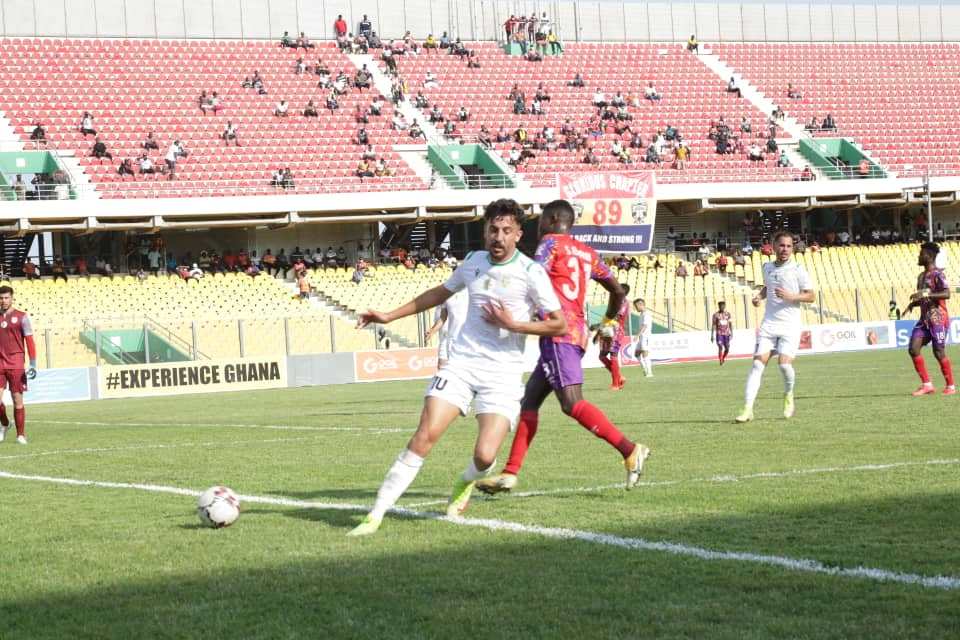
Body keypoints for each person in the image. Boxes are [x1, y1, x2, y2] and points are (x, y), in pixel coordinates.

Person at [346, 199, 566, 536]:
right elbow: (439, 292)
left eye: (507, 230)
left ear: (519, 234)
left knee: (485, 455)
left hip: (502, 374)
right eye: (493, 229)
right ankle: (375, 514)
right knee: (425, 435)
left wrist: (515, 325)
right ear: (485, 231)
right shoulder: (474, 261)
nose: (499, 236)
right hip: (460, 365)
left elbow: (559, 325)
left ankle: (464, 483)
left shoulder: (531, 273)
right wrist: (388, 315)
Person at [475, 200, 650, 497]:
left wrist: (513, 314)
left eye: (542, 219)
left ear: (554, 218)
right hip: (576, 332)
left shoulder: (550, 243)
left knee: (571, 403)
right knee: (529, 402)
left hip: (559, 333)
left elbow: (533, 273)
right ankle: (510, 473)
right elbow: (618, 290)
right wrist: (608, 320)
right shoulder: (587, 252)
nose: (539, 225)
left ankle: (630, 450)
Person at [736, 232, 815, 423]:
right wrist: (759, 297)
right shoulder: (767, 267)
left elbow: (811, 296)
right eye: (781, 245)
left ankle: (789, 395)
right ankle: (747, 409)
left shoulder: (798, 270)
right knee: (756, 364)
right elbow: (767, 287)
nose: (785, 249)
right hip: (769, 324)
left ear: (793, 248)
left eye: (788, 246)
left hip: (790, 325)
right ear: (773, 246)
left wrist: (791, 296)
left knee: (784, 365)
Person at [903, 242, 955, 396]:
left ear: (929, 256)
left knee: (938, 352)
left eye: (921, 253)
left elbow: (946, 294)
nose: (919, 256)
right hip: (924, 320)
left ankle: (951, 386)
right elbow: (925, 298)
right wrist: (914, 303)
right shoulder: (920, 277)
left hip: (938, 319)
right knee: (913, 349)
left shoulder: (938, 274)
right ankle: (927, 385)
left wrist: (925, 295)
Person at [0, 286, 36, 445]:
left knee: (17, 400)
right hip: (0, 363)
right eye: (1, 298)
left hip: (16, 363)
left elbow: (29, 341)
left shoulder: (22, 317)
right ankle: (6, 424)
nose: (3, 301)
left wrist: (33, 363)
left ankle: (20, 435)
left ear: (12, 298)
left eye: (6, 298)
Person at [423, 288, 469, 369]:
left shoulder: (471, 291)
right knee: (450, 369)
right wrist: (432, 331)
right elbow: (443, 317)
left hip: (467, 339)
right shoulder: (447, 295)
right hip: (452, 340)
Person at [597, 283, 630, 390]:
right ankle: (619, 377)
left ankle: (616, 384)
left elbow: (617, 315)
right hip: (607, 329)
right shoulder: (615, 301)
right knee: (602, 356)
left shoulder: (624, 302)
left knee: (613, 355)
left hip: (616, 331)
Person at [633, 298, 653, 377]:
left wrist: (637, 335)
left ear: (640, 305)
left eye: (636, 306)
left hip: (646, 336)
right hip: (642, 337)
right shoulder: (642, 314)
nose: (635, 308)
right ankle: (645, 369)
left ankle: (649, 372)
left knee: (645, 354)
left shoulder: (646, 314)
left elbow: (645, 326)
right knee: (637, 354)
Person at [711, 300, 733, 365]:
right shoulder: (715, 315)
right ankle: (720, 360)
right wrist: (712, 335)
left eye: (723, 306)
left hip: (726, 334)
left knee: (727, 348)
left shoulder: (728, 314)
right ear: (719, 306)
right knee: (720, 346)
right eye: (721, 306)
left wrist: (732, 333)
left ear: (725, 306)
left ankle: (723, 357)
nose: (722, 307)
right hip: (719, 333)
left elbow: (730, 324)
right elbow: (713, 325)